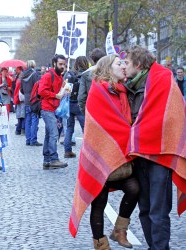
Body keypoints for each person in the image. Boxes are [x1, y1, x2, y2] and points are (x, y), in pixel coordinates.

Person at [69, 54, 141, 250]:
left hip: (120, 157)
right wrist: (130, 132)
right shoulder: (98, 90)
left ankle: (120, 230)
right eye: (119, 63)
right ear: (108, 68)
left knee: (134, 188)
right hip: (100, 156)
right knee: (99, 202)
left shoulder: (124, 91)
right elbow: (105, 123)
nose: (124, 66)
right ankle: (100, 244)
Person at [124, 45, 186, 249]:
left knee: (158, 211)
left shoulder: (162, 81)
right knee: (144, 209)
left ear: (138, 65)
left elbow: (173, 116)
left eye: (127, 63)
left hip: (160, 156)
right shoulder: (128, 86)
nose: (124, 66)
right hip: (138, 155)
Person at [38, 54, 69, 169]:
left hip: (53, 109)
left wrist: (65, 91)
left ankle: (47, 160)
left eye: (64, 65)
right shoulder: (47, 76)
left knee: (49, 134)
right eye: (60, 64)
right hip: (47, 109)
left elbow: (59, 93)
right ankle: (54, 159)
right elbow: (41, 91)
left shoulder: (60, 77)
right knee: (54, 133)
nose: (62, 67)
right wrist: (55, 95)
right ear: (54, 64)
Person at [62, 56, 88, 158]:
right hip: (79, 104)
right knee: (85, 128)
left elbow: (65, 91)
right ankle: (87, 151)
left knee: (69, 128)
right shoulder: (85, 75)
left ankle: (67, 151)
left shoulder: (69, 75)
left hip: (69, 104)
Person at [20, 60, 42, 146]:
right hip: (34, 100)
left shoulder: (22, 75)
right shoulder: (35, 74)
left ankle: (28, 139)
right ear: (33, 65)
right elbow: (38, 87)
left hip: (26, 99)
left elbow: (21, 90)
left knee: (28, 120)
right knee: (34, 120)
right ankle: (33, 140)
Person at [78, 48, 106, 114]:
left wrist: (84, 111)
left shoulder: (85, 74)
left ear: (92, 60)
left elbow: (81, 97)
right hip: (107, 109)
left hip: (92, 109)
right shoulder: (110, 72)